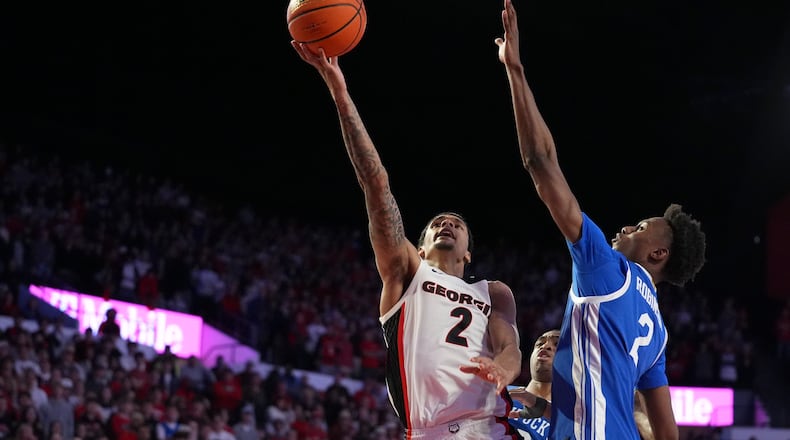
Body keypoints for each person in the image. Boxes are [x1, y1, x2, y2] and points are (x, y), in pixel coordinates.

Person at [494, 0, 706, 438]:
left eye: (640, 228)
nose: (626, 228)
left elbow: (540, 161)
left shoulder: (608, 270)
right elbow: (667, 432)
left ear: (658, 252)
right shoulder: (658, 335)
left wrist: (515, 70)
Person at [291, 41, 523, 439]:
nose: (446, 225)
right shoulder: (406, 273)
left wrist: (502, 369)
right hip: (425, 432)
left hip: (486, 426)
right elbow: (375, 183)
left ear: (469, 252)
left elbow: (510, 346)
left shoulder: (494, 292)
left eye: (456, 224)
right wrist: (341, 94)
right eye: (437, 223)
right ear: (419, 248)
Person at [508, 330, 655, 440]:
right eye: (540, 343)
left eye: (557, 344)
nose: (545, 346)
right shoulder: (501, 392)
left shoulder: (580, 419)